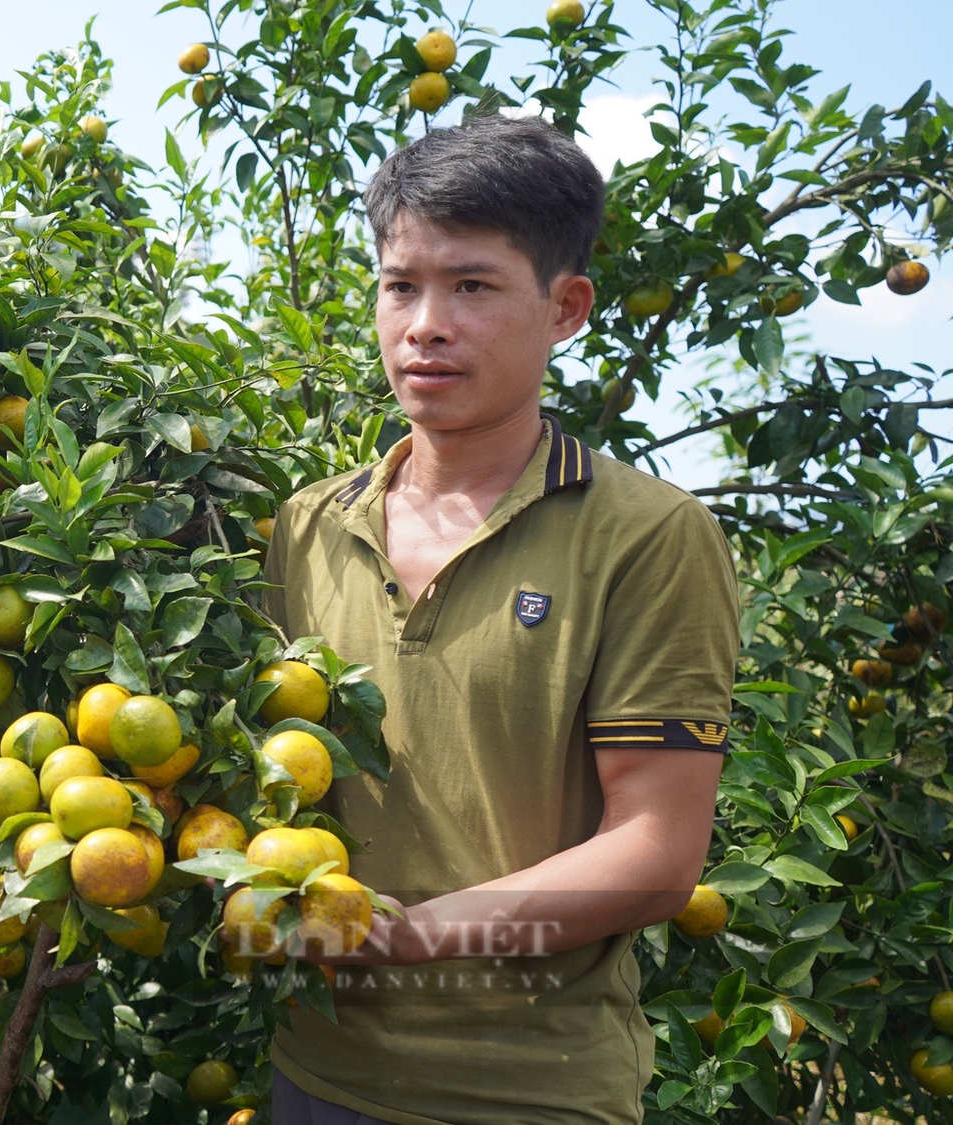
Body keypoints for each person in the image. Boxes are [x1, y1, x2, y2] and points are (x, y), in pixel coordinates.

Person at [260, 114, 739, 1125]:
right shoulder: (307, 525)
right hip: (313, 1074)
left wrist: (397, 939)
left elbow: (654, 854)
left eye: (469, 286)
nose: (423, 324)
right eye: (400, 285)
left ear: (564, 308)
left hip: (525, 1095)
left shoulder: (645, 536)